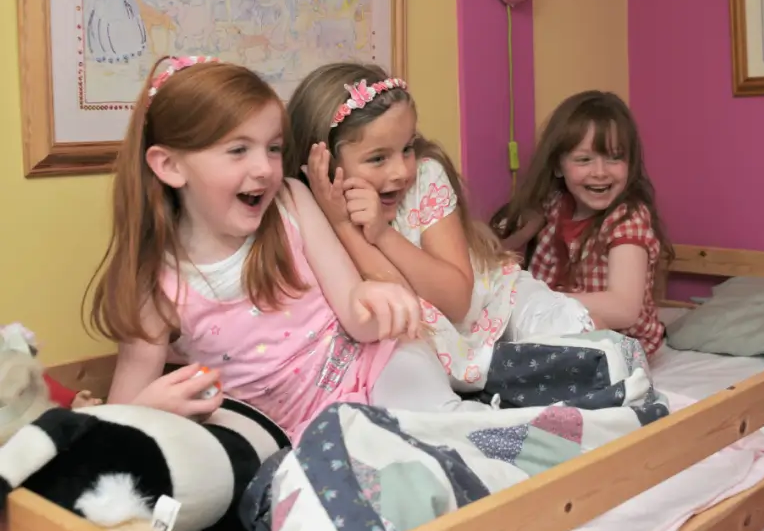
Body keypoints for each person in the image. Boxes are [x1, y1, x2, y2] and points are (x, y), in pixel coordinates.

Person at [85, 55, 480, 442]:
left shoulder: (291, 201)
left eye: (273, 148)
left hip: (372, 368)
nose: (265, 168)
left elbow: (353, 308)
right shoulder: (156, 288)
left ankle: (510, 443)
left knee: (436, 422)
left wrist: (376, 299)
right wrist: (145, 412)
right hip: (291, 435)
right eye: (239, 150)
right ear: (170, 166)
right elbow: (124, 410)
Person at [285, 62, 594, 389]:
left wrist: (381, 233)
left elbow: (458, 302)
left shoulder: (425, 177)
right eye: (378, 158)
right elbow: (397, 297)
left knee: (571, 336)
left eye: (407, 148)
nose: (401, 171)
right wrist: (344, 225)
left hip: (495, 304)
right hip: (438, 342)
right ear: (324, 166)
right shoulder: (311, 216)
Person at [491, 91, 674, 357]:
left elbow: (623, 308)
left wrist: (539, 301)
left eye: (614, 157)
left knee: (588, 330)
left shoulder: (627, 219)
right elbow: (498, 255)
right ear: (558, 166)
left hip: (618, 337)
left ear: (630, 163)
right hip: (554, 321)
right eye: (584, 160)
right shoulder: (553, 207)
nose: (600, 172)